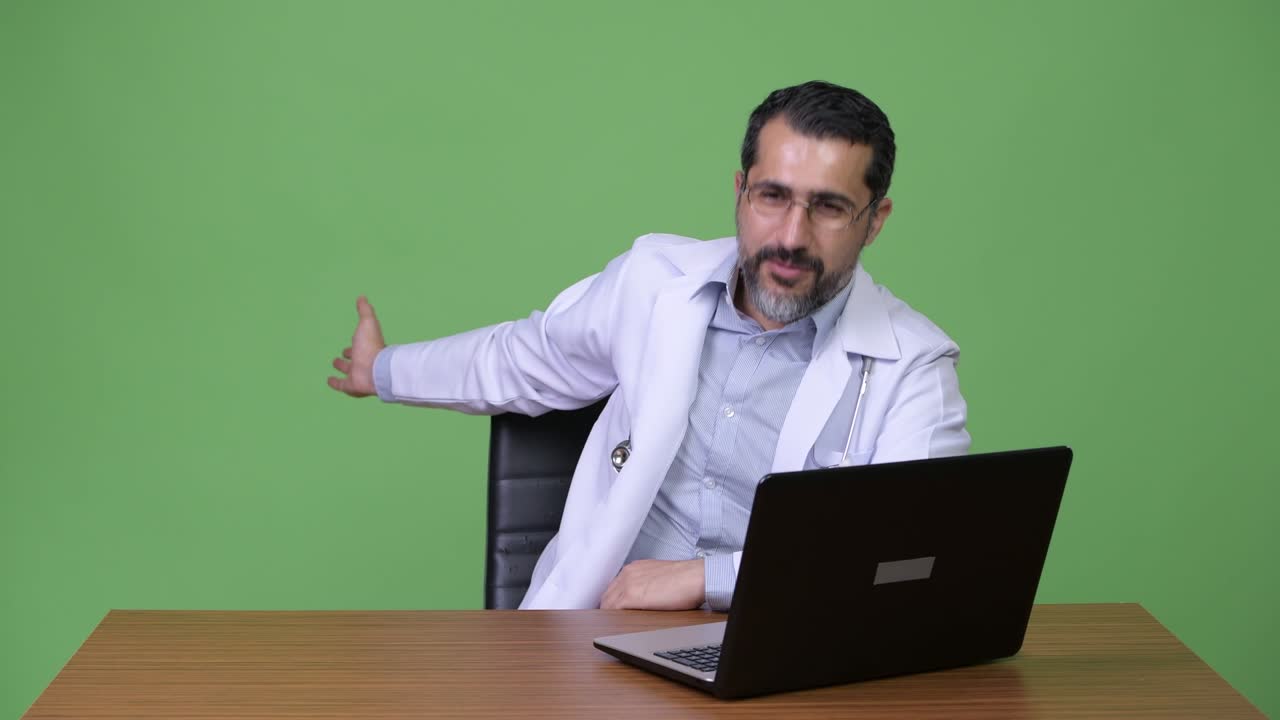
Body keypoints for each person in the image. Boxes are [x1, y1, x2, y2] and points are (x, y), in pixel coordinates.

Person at [327, 81, 970, 611]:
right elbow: (523, 360)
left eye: (828, 208)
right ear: (741, 191)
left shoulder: (912, 363)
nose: (792, 236)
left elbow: (907, 559)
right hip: (598, 637)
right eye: (773, 197)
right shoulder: (655, 282)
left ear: (874, 220)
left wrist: (706, 578)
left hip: (785, 647)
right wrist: (381, 369)